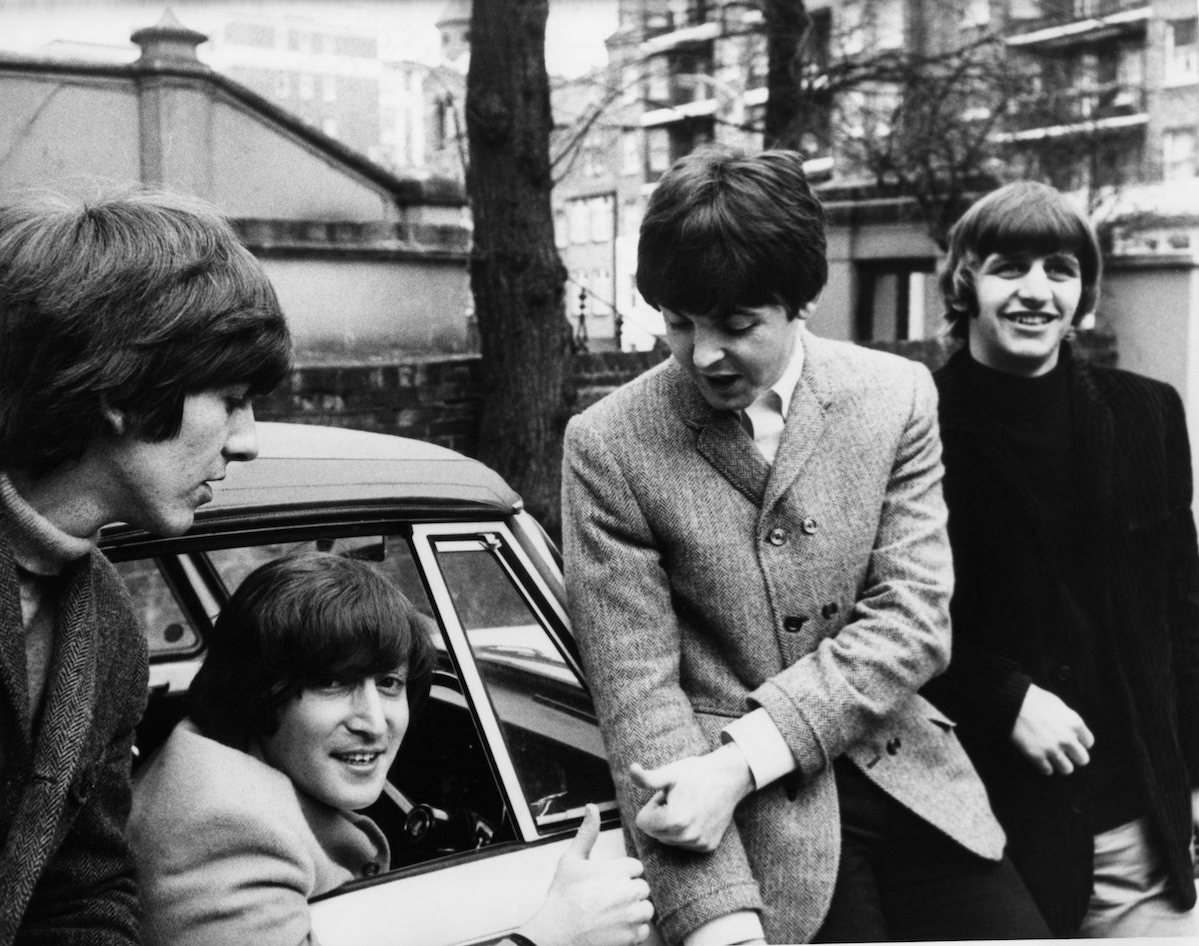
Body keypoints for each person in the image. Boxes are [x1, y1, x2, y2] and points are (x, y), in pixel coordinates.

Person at [561, 145, 1051, 945]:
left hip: (912, 782)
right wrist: (713, 915)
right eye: (679, 323)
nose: (704, 354)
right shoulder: (607, 444)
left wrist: (742, 758)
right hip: (754, 838)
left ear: (803, 301)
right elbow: (640, 700)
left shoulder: (895, 396)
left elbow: (914, 622)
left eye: (737, 324)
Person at [0, 191, 293, 945]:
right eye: (233, 398)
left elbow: (82, 894)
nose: (246, 441)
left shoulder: (109, 630)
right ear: (122, 387)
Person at [923, 179, 1199, 937]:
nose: (1037, 291)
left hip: (1137, 837)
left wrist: (1193, 784)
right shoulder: (908, 425)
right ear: (964, 281)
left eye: (1061, 269)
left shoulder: (1148, 414)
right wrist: (999, 694)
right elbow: (871, 616)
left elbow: (1182, 612)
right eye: (1010, 267)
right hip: (981, 840)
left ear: (1084, 293)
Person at [129, 551, 654, 946]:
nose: (374, 723)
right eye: (334, 684)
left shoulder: (209, 757)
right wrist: (546, 937)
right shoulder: (223, 832)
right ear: (259, 690)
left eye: (389, 683)